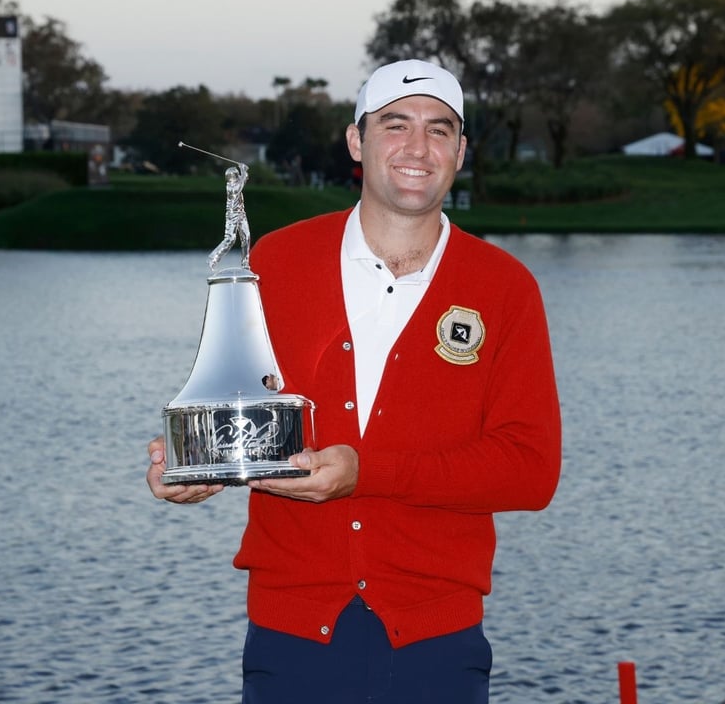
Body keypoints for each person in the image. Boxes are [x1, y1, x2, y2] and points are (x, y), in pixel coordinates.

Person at [146, 59, 561, 704]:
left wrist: (367, 472)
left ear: (461, 150)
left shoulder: (504, 288)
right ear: (356, 142)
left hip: (436, 639)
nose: (417, 148)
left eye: (440, 129)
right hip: (293, 634)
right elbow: (236, 411)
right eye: (394, 125)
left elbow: (531, 471)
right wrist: (194, 467)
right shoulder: (274, 265)